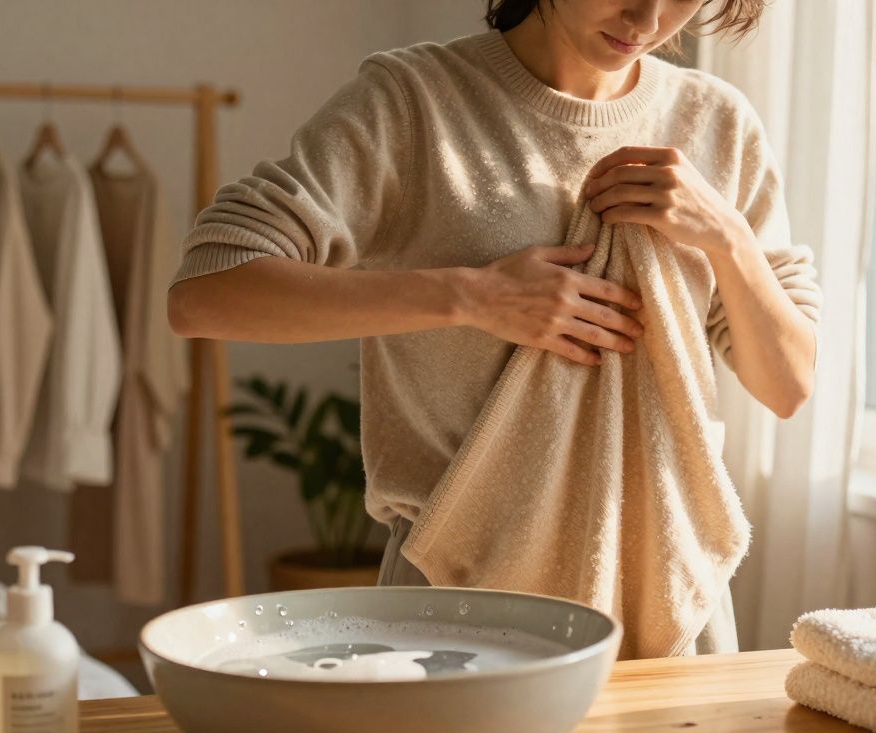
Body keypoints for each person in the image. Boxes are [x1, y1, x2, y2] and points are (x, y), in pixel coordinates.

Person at [167, 0, 820, 656]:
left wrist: (728, 238)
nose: (648, 16)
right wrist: (473, 296)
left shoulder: (720, 124)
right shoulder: (414, 101)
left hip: (674, 600)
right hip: (452, 598)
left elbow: (789, 383)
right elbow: (208, 292)